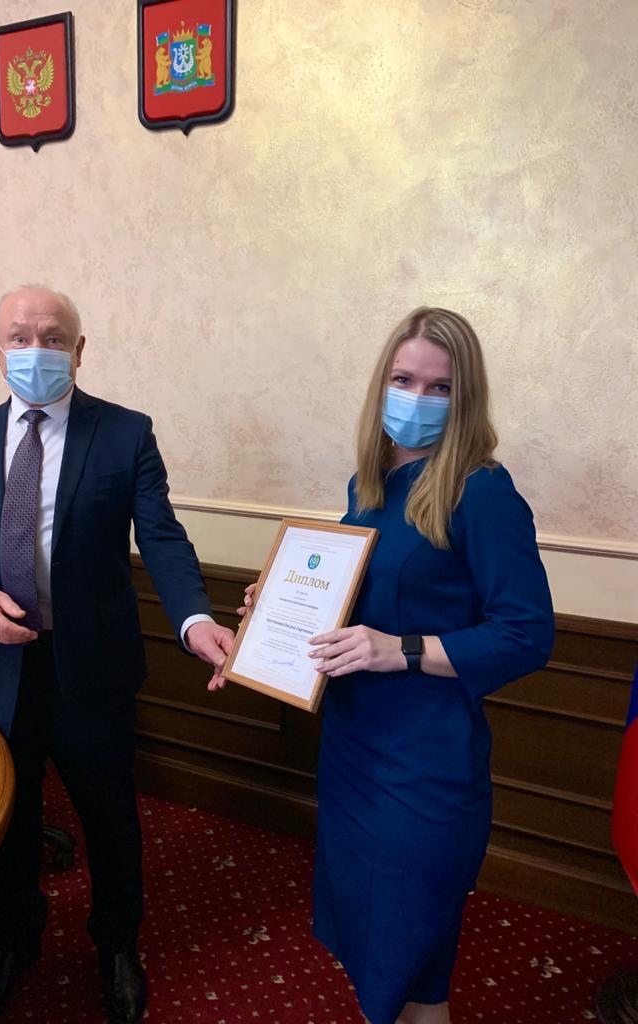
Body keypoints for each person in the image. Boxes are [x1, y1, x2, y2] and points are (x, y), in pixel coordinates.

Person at [0, 286, 234, 1024]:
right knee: (9, 816)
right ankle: (15, 941)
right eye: (19, 337)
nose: (36, 351)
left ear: (80, 351)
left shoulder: (125, 434)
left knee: (110, 818)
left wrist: (194, 619)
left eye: (53, 337)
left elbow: (162, 538)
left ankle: (117, 945)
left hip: (90, 666)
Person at [231, 307, 554, 1024]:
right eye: (404, 380)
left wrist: (400, 650)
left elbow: (527, 635)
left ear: (465, 399)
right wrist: (276, 603)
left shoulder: (482, 492)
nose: (418, 398)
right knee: (382, 945)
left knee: (410, 938)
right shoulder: (369, 485)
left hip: (424, 758)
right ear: (381, 384)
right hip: (353, 743)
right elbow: (366, 599)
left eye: (441, 387)